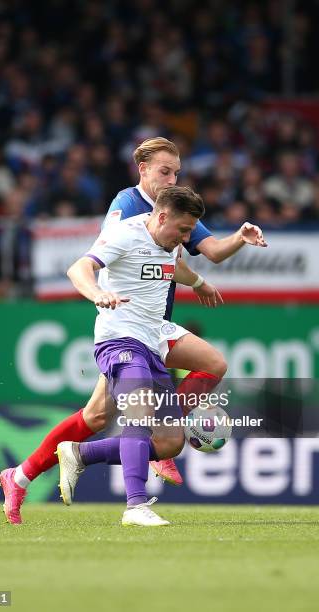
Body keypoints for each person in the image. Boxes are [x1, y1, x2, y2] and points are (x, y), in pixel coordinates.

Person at [0, 137, 266, 523]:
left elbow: (197, 255)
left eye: (176, 171)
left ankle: (31, 471)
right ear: (142, 169)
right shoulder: (126, 208)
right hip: (125, 326)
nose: (171, 178)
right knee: (119, 414)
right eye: (164, 171)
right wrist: (99, 295)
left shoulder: (178, 208)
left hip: (156, 328)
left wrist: (221, 258)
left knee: (203, 372)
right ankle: (113, 488)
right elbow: (99, 260)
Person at [57, 185, 208, 526]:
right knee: (137, 413)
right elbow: (78, 268)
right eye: (183, 229)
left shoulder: (170, 243)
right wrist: (97, 292)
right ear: (162, 216)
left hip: (153, 343)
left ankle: (80, 452)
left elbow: (176, 268)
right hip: (119, 340)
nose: (186, 238)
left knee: (170, 442)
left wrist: (198, 282)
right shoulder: (125, 234)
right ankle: (136, 506)